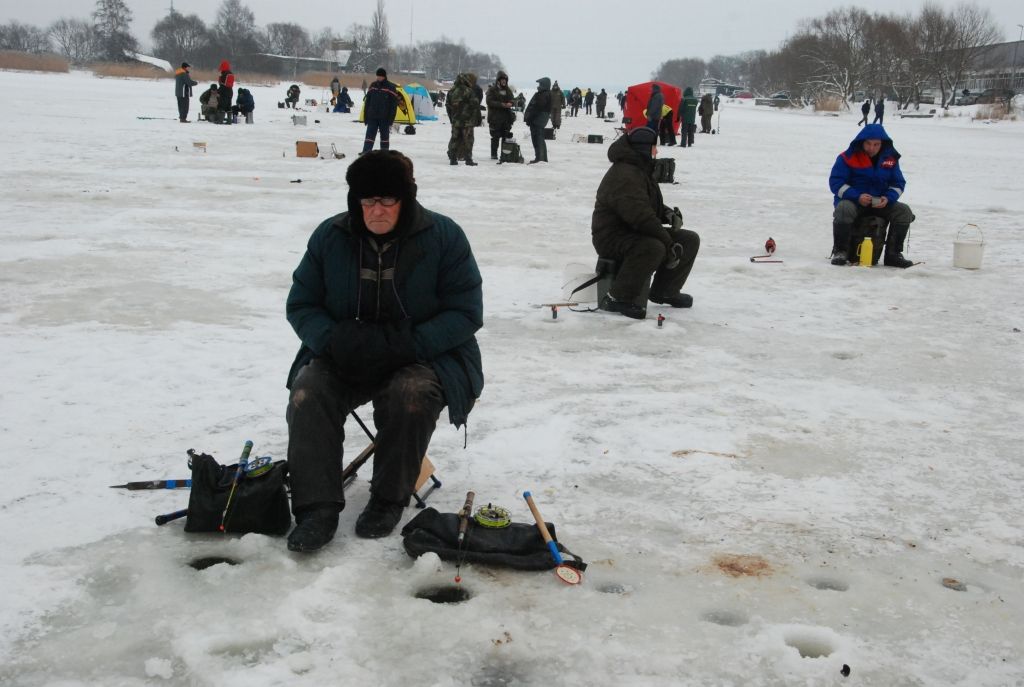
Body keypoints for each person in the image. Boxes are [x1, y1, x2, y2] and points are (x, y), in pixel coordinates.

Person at [284, 150, 484, 552]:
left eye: (387, 200)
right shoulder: (330, 236)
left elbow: (465, 312)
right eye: (367, 201)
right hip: (345, 353)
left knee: (409, 395)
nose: (376, 211)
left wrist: (406, 343)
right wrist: (334, 340)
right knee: (308, 392)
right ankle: (316, 509)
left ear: (405, 199)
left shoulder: (444, 237)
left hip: (422, 357)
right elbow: (301, 304)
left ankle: (388, 499)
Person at [592, 127, 701, 319]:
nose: (657, 152)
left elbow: (646, 205)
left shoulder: (638, 169)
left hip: (632, 231)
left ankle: (665, 291)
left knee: (688, 240)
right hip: (611, 237)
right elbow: (640, 217)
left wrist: (667, 214)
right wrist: (667, 242)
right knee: (653, 247)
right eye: (654, 148)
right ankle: (617, 297)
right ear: (643, 149)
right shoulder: (624, 175)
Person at [828, 123, 915, 268]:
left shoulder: (891, 159)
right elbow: (836, 183)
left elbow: (898, 184)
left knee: (903, 211)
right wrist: (857, 196)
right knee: (843, 208)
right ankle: (840, 251)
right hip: (854, 202)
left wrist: (888, 198)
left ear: (883, 144)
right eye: (868, 144)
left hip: (880, 203)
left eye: (876, 144)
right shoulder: (846, 157)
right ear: (861, 141)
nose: (871, 148)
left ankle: (893, 255)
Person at [362, 68, 402, 154]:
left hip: (385, 118)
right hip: (372, 116)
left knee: (384, 138)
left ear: (384, 76)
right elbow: (367, 102)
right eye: (377, 76)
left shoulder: (390, 87)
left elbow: (393, 105)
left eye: (380, 76)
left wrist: (391, 120)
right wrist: (366, 116)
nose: (378, 77)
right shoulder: (373, 86)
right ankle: (366, 152)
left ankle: (384, 154)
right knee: (369, 136)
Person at [446, 72, 481, 165]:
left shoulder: (451, 91)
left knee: (455, 139)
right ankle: (468, 159)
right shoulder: (469, 91)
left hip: (455, 120)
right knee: (468, 140)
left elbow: (448, 106)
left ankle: (453, 159)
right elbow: (475, 104)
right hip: (467, 121)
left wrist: (452, 118)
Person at [485, 70, 515, 160]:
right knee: (495, 137)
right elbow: (489, 101)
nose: (504, 81)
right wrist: (502, 104)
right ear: (498, 80)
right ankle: (494, 154)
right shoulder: (492, 90)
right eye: (502, 80)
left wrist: (511, 103)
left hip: (506, 118)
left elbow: (512, 99)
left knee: (505, 137)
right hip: (495, 118)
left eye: (505, 80)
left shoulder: (508, 90)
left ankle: (504, 154)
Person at [524, 77, 552, 164]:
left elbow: (536, 108)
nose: (538, 86)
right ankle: (541, 158)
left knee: (537, 138)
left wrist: (530, 118)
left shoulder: (543, 94)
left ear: (544, 85)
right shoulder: (545, 94)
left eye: (540, 84)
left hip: (538, 120)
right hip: (539, 119)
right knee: (539, 138)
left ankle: (540, 158)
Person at [217, 60, 235, 125]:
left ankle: (220, 121)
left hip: (224, 92)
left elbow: (222, 85)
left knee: (222, 106)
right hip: (230, 92)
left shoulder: (223, 75)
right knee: (228, 106)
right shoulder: (231, 73)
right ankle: (229, 121)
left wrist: (218, 91)